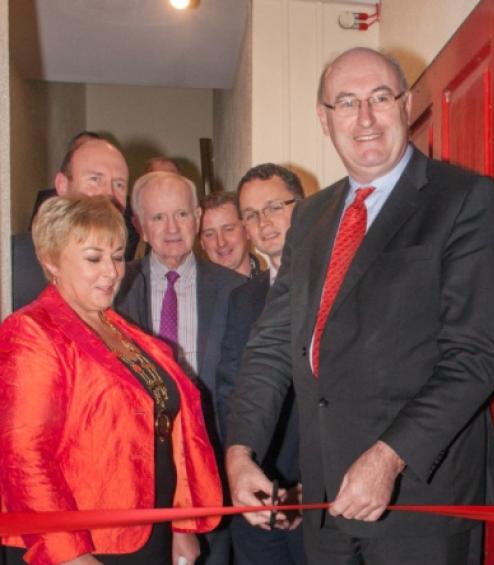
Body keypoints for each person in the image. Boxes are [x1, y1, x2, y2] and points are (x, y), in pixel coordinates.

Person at [225, 47, 494, 565]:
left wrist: (388, 456)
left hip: (419, 501)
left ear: (406, 105)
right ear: (324, 118)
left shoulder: (464, 199)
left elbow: (473, 357)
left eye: (380, 98)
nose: (365, 118)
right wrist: (241, 453)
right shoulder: (310, 217)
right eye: (347, 102)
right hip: (327, 507)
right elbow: (271, 347)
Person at [0, 195, 221, 565]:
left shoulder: (121, 330)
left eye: (117, 257)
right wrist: (69, 554)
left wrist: (181, 525)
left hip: (149, 532)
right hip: (88, 543)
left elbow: (166, 431)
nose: (112, 272)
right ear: (51, 260)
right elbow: (24, 456)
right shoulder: (32, 330)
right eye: (93, 258)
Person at [116, 172, 246, 565]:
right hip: (137, 470)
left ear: (197, 216)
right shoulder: (114, 289)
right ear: (138, 225)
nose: (172, 229)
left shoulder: (236, 291)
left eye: (181, 215)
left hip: (213, 464)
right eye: (157, 218)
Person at [216, 164, 306, 565]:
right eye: (250, 215)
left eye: (274, 207)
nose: (263, 222)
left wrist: (309, 485)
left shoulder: (337, 288)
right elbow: (230, 390)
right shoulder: (242, 298)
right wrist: (242, 469)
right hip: (253, 496)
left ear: (302, 209)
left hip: (321, 499)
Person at [12, 136, 129, 310]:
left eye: (119, 184)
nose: (108, 193)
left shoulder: (133, 269)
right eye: (95, 179)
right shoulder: (15, 260)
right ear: (63, 185)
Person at [199, 191, 259, 278]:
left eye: (229, 229)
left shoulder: (275, 287)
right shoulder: (193, 290)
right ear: (202, 243)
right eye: (209, 234)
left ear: (247, 231)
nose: (221, 243)